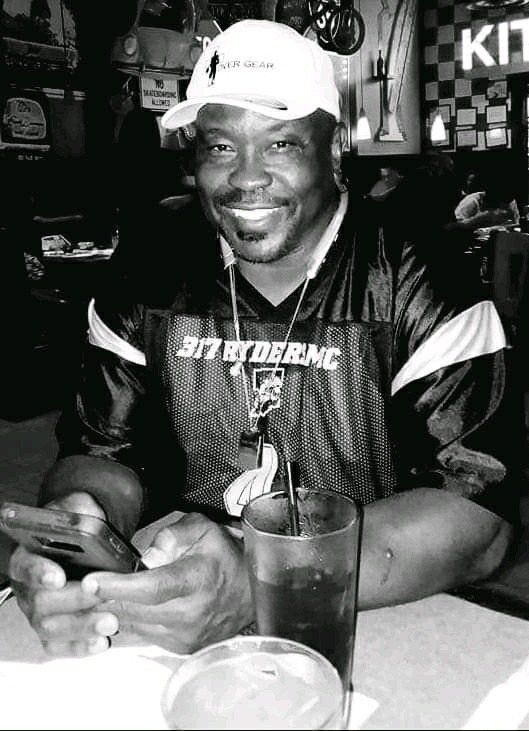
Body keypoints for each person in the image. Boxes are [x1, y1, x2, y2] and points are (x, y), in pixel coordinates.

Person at [9, 20, 517, 657]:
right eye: (221, 146)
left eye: (280, 144)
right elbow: (101, 452)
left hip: (377, 615)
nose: (246, 177)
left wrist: (267, 575)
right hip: (173, 607)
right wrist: (78, 522)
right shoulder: (148, 272)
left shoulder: (421, 279)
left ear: (334, 152)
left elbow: (479, 512)